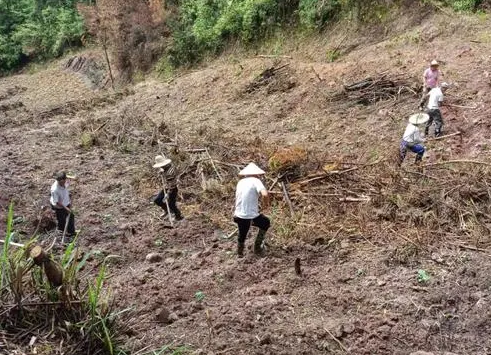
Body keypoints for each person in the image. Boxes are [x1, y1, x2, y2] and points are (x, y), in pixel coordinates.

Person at [233, 162, 270, 257]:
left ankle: (239, 253)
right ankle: (257, 247)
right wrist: (266, 205)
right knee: (265, 222)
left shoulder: (240, 182)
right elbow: (265, 194)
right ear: (256, 174)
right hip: (250, 216)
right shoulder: (256, 181)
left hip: (238, 215)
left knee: (243, 233)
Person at [153, 155, 183, 221]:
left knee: (171, 203)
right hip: (166, 187)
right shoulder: (166, 168)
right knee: (157, 200)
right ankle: (167, 211)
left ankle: (178, 216)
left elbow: (172, 184)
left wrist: (168, 194)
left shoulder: (170, 172)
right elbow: (164, 177)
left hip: (172, 189)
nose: (160, 166)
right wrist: (161, 172)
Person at [50, 171, 76, 237]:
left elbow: (69, 178)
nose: (61, 183)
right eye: (59, 182)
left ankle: (71, 233)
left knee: (71, 216)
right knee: (62, 220)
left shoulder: (66, 181)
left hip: (66, 201)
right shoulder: (55, 189)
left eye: (63, 181)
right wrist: (66, 208)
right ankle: (61, 234)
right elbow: (57, 202)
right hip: (59, 206)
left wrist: (68, 195)